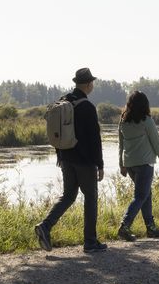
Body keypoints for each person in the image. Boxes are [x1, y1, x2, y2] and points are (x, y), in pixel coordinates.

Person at [34, 67, 107, 252]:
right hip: (84, 160)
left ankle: (45, 226)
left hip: (65, 157)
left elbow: (58, 131)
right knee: (90, 197)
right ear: (89, 84)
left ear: (76, 83)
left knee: (68, 195)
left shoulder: (64, 101)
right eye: (92, 83)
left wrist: (60, 154)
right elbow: (94, 138)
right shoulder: (87, 106)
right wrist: (100, 164)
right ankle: (90, 242)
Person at [116, 89, 159, 240]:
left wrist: (121, 164)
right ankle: (124, 226)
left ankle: (151, 228)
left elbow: (120, 145)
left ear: (129, 104)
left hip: (130, 165)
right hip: (145, 164)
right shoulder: (147, 120)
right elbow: (156, 143)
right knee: (140, 196)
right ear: (145, 105)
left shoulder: (123, 121)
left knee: (146, 194)